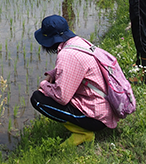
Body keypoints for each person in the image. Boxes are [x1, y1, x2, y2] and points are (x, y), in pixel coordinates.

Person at [31, 15, 119, 146]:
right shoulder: (78, 43)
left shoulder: (67, 56)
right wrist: (53, 74)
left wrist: (44, 85)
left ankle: (83, 132)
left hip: (97, 118)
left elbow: (62, 97)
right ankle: (83, 126)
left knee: (38, 99)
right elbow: (77, 67)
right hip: (106, 108)